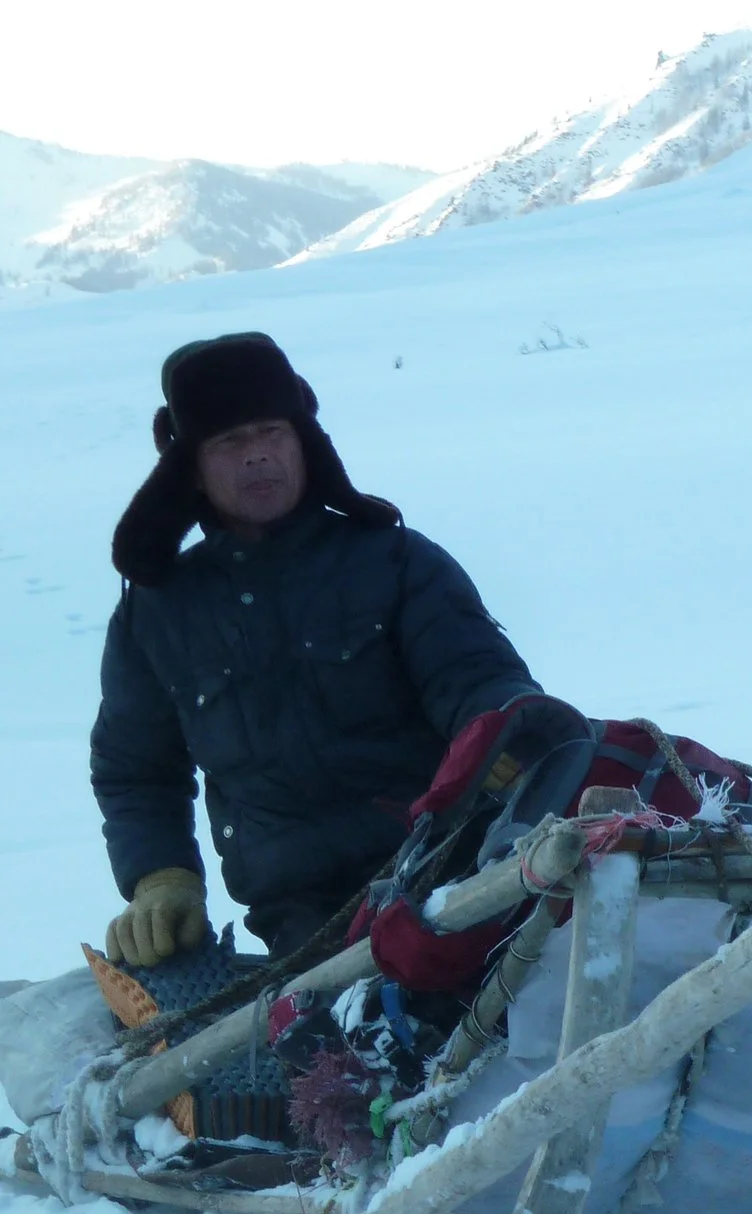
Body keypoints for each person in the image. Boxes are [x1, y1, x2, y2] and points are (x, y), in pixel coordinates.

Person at [92, 332, 541, 966]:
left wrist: (503, 737)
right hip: (303, 913)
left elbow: (475, 676)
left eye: (272, 432)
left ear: (303, 440)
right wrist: (160, 878)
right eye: (230, 442)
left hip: (452, 863)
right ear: (190, 466)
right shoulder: (156, 613)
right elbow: (135, 770)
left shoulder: (394, 561)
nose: (258, 457)